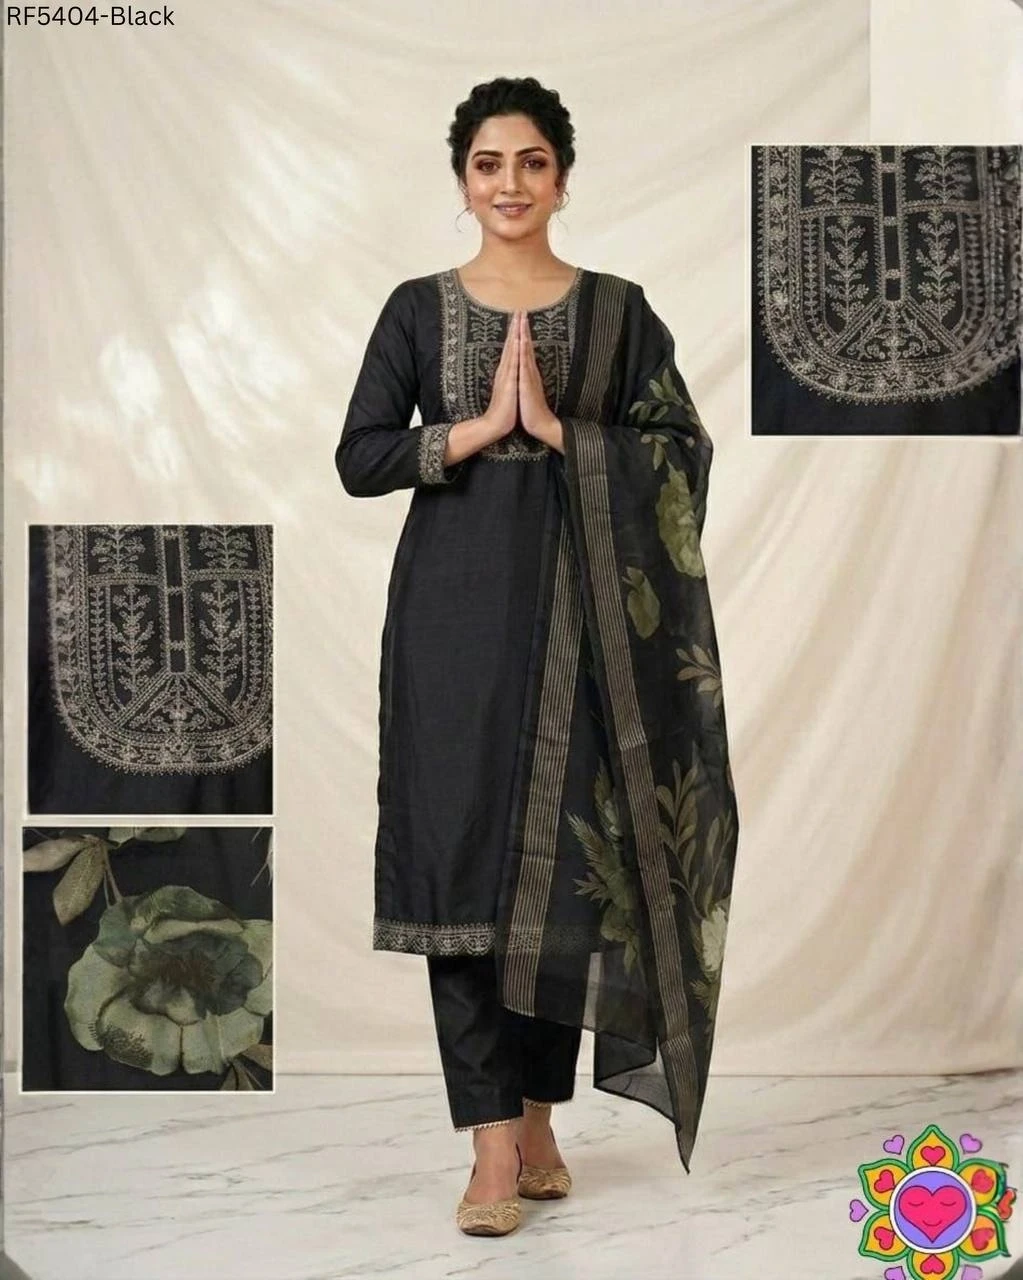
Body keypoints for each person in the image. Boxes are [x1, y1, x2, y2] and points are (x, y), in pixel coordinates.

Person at [336, 76, 740, 1237]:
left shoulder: (617, 313)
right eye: (486, 163)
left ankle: (537, 1114)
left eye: (530, 162)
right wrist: (479, 429)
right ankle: (490, 1146)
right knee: (464, 877)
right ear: (462, 182)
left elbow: (683, 453)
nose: (508, 183)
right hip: (452, 623)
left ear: (562, 177)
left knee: (570, 873)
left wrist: (565, 432)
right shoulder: (417, 311)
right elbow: (359, 456)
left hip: (585, 625)